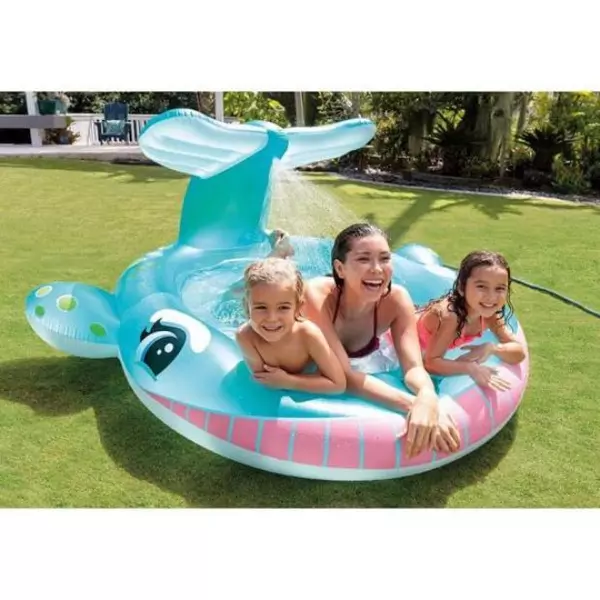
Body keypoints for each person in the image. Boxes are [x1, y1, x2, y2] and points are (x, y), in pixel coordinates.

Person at [302, 222, 461, 458]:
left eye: (385, 258)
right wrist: (412, 405)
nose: (377, 269)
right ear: (340, 268)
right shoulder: (315, 295)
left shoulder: (397, 300)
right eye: (364, 259)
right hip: (325, 363)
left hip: (370, 353)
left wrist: (428, 397)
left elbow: (413, 367)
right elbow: (344, 374)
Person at [416, 250, 526, 391]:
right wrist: (470, 368)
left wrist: (492, 348)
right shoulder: (450, 317)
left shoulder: (489, 314)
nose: (491, 297)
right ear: (461, 287)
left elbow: (519, 352)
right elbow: (430, 363)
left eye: (499, 288)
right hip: (399, 342)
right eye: (481, 287)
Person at [236, 257, 346, 395]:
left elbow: (338, 384)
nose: (272, 318)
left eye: (283, 307)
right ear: (247, 306)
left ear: (298, 307)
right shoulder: (245, 337)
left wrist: (290, 382)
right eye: (261, 307)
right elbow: (265, 381)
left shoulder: (308, 335)